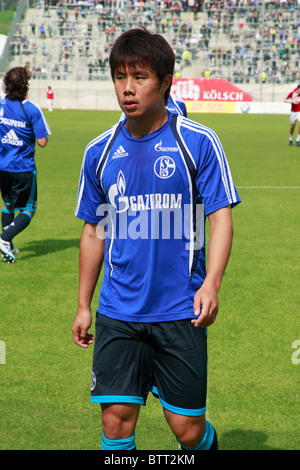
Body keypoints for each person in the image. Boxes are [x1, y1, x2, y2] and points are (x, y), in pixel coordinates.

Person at [72, 28, 241, 451]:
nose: (127, 88)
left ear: (165, 81)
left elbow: (220, 216)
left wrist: (212, 283)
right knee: (115, 421)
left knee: (187, 430)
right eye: (119, 76)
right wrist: (82, 304)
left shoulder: (198, 142)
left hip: (179, 309)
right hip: (119, 310)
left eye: (140, 76)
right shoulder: (99, 151)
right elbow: (93, 230)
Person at [0, 66, 51, 263]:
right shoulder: (30, 108)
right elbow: (42, 142)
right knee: (29, 209)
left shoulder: (1, 105)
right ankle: (4, 239)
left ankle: (8, 246)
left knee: (8, 203)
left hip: (2, 167)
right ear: (25, 85)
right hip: (23, 168)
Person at [284, 82, 300, 146]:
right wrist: (291, 101)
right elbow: (284, 99)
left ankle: (298, 140)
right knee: (293, 126)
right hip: (293, 111)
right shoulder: (292, 92)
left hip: (299, 111)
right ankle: (290, 139)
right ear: (298, 88)